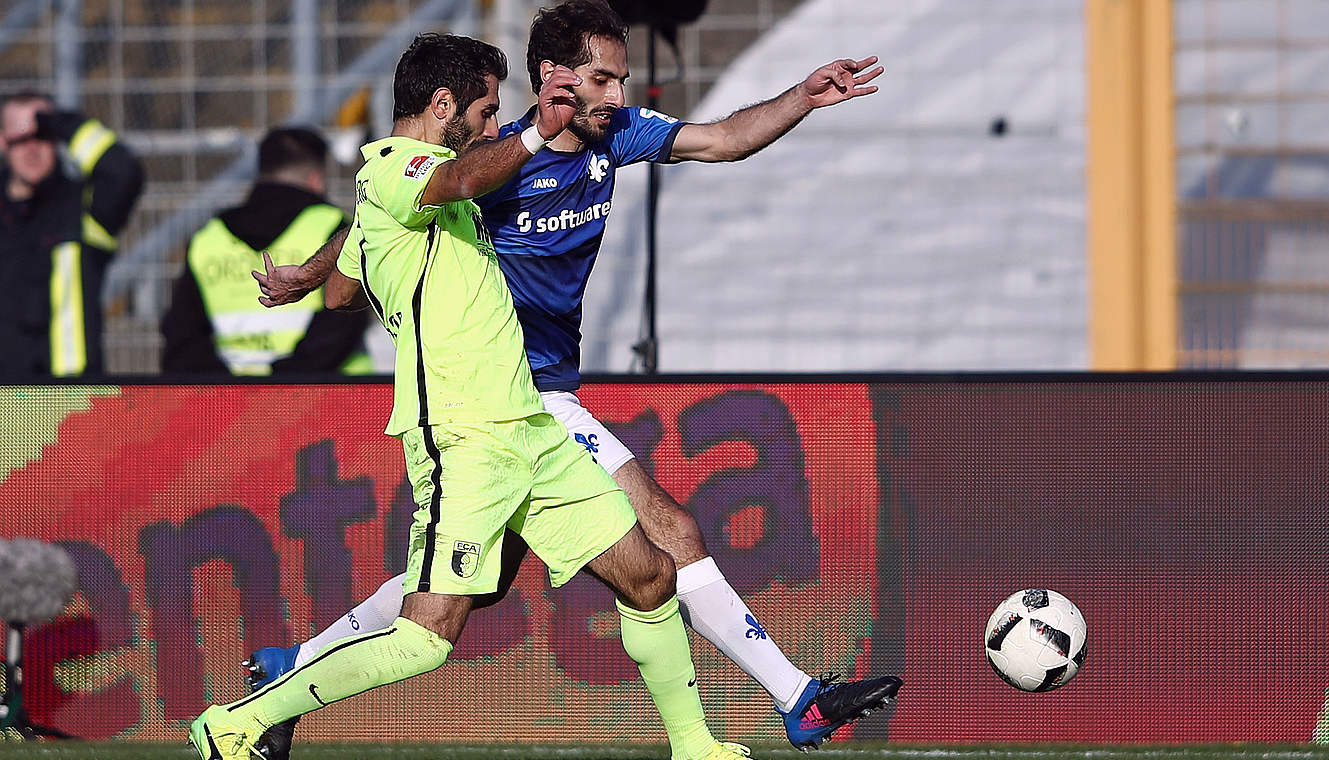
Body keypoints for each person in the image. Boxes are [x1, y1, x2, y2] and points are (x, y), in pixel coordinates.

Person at [251, 0, 897, 752]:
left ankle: (292, 670)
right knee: (671, 536)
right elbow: (398, 201)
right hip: (510, 397)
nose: (619, 96)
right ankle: (796, 698)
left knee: (467, 587)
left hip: (544, 397)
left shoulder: (612, 133)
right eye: (603, 78)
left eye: (622, 79)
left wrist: (801, 97)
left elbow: (721, 140)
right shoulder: (494, 159)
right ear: (554, 78)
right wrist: (322, 273)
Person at [189, 33, 751, 760]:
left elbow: (339, 292)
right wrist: (538, 137)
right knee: (425, 639)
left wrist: (330, 266)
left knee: (648, 576)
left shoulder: (409, 192)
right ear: (442, 103)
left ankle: (696, 748)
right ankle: (238, 720)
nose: (494, 127)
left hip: (529, 429)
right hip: (464, 434)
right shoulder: (397, 166)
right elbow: (447, 185)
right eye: (487, 113)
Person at [160, 127, 372, 375]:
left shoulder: (208, 236)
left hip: (230, 404)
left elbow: (182, 339)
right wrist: (282, 381)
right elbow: (343, 322)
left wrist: (236, 389)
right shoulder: (335, 230)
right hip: (329, 402)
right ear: (316, 180)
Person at [0, 91, 145, 377]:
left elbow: (123, 171)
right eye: (20, 140)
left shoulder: (83, 209)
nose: (31, 149)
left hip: (70, 397)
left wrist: (61, 124)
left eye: (41, 136)